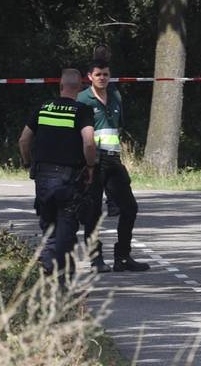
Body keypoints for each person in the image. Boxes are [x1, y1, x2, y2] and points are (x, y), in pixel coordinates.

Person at [19, 68, 98, 279]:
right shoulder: (82, 110)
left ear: (60, 86)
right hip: (68, 178)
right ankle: (63, 280)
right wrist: (91, 166)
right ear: (80, 87)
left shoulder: (43, 108)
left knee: (48, 225)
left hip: (43, 176)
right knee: (67, 227)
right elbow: (89, 142)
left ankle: (48, 269)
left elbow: (24, 140)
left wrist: (28, 162)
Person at [78, 58, 149, 272]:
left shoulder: (116, 95)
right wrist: (86, 162)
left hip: (113, 159)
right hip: (92, 161)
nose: (102, 78)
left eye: (106, 74)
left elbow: (117, 128)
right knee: (92, 211)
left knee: (130, 207)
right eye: (98, 74)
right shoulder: (83, 99)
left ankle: (123, 256)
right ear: (89, 76)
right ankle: (96, 259)